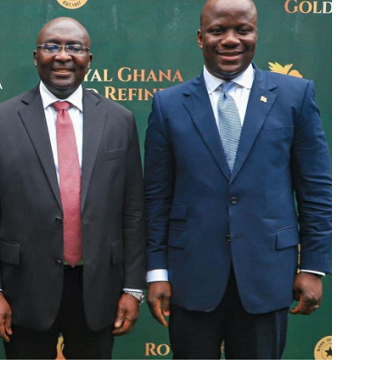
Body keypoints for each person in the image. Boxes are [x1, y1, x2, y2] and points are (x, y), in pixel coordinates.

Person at [144, 0, 332, 360]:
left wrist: (312, 266)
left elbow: (316, 191)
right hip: (191, 278)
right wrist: (156, 271)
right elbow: (155, 197)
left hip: (268, 276)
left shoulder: (295, 96)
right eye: (218, 30)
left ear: (256, 35)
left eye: (242, 30)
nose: (230, 40)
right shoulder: (168, 104)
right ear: (201, 37)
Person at [0, 17, 146, 359]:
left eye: (74, 47)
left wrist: (133, 287)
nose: (63, 56)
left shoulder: (119, 120)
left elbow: (134, 210)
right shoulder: (0, 121)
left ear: (89, 60)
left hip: (99, 288)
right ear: (36, 57)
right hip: (23, 288)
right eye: (52, 46)